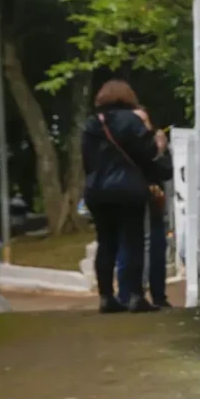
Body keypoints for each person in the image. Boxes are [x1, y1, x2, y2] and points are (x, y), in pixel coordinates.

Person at [81, 79, 172, 313]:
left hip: (97, 191)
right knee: (132, 242)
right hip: (127, 189)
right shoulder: (131, 120)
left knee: (106, 243)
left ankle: (106, 297)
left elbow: (86, 161)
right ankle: (133, 295)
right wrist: (159, 143)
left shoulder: (90, 124)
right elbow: (148, 152)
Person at [116, 106, 171, 308]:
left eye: (143, 121)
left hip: (153, 203)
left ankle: (158, 296)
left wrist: (161, 151)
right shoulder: (123, 145)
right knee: (129, 248)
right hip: (130, 202)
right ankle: (128, 295)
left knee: (156, 248)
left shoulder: (154, 143)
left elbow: (166, 171)